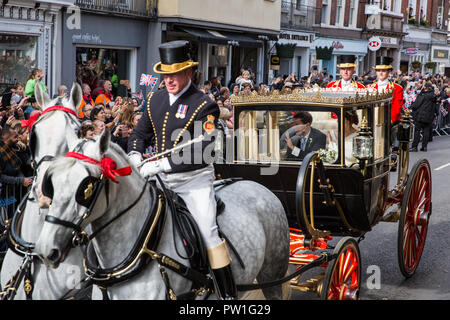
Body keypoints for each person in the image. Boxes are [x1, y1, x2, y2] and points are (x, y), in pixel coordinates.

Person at [127, 40, 236, 299]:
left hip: (193, 180)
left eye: (175, 73)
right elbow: (139, 134)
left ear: (189, 72)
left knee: (208, 232)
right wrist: (133, 154)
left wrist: (162, 163)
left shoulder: (204, 104)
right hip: (159, 179)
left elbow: (205, 148)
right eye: (165, 74)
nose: (169, 79)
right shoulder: (154, 98)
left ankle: (228, 295)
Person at [367, 57, 404, 125]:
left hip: (388, 123)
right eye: (378, 71)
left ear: (389, 72)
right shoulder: (369, 87)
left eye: (383, 71)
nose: (380, 73)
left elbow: (396, 108)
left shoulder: (397, 88)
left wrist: (389, 122)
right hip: (371, 121)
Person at [410, 83, 438, 152]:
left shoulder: (423, 95)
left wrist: (412, 107)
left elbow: (416, 105)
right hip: (429, 116)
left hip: (420, 115)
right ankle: (424, 147)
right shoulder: (433, 96)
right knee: (426, 131)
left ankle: (414, 146)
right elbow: (435, 107)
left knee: (417, 131)